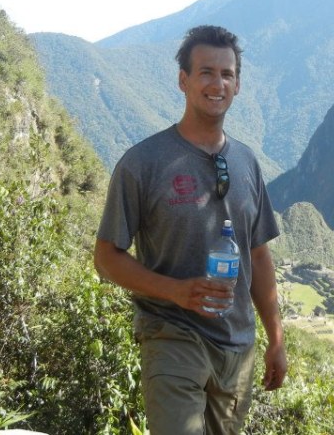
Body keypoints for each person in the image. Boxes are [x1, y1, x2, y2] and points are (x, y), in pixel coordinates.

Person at [94, 25, 287, 435]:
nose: (217, 83)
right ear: (183, 80)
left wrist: (276, 337)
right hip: (171, 333)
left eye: (227, 74)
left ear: (237, 84)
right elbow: (107, 256)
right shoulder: (143, 163)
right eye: (205, 72)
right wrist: (176, 292)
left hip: (236, 346)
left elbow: (257, 253)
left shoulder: (247, 163)